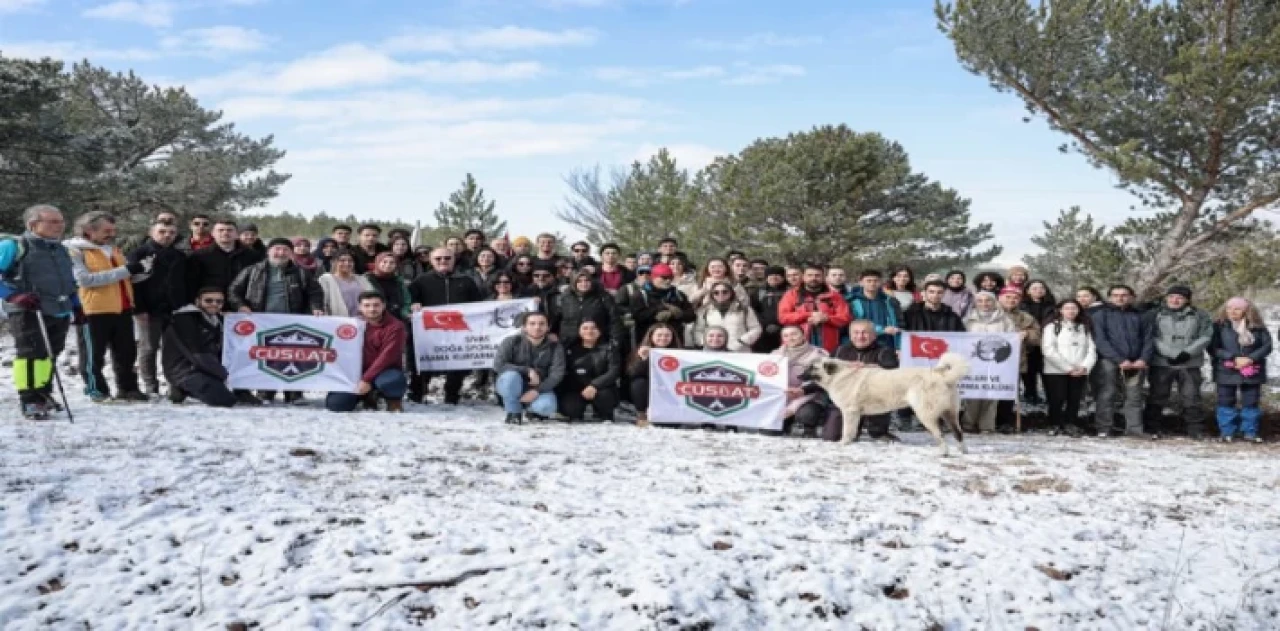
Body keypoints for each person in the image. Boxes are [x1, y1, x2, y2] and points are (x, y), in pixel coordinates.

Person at [1, 205, 80, 419]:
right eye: (52, 222)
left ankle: (43, 393)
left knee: (49, 354)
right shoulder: (14, 246)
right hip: (27, 310)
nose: (59, 226)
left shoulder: (61, 249)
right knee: (30, 355)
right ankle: (29, 399)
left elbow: (68, 281)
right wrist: (12, 295)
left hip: (59, 309)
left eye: (61, 221)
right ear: (32, 224)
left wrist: (77, 305)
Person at [66, 211, 155, 403]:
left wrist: (143, 271)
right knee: (93, 355)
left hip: (122, 307)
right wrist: (127, 270)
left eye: (113, 230)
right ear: (89, 230)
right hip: (92, 309)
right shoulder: (74, 250)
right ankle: (96, 390)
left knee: (126, 352)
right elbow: (84, 280)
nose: (112, 234)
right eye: (107, 230)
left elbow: (122, 277)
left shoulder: (112, 249)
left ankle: (128, 389)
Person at [228, 238, 326, 404]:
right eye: (277, 249)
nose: (280, 253)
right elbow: (233, 290)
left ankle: (294, 393)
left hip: (292, 322)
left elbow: (315, 292)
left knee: (292, 357)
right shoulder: (253, 271)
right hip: (261, 323)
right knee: (266, 357)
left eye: (285, 250)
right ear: (268, 251)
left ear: (290, 253)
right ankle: (265, 391)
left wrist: (316, 307)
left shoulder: (301, 273)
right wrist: (241, 306)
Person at [408, 247, 484, 404]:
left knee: (457, 362)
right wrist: (413, 305)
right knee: (423, 361)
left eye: (447, 258)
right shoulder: (421, 281)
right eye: (438, 258)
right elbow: (409, 301)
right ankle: (417, 394)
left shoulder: (466, 281)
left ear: (454, 260)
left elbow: (478, 305)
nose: (443, 261)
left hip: (459, 331)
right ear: (431, 260)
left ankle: (452, 394)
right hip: (430, 330)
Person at [1143, 285, 1213, 438]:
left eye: (1180, 297)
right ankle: (1151, 428)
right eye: (1171, 297)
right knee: (1157, 395)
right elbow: (1151, 336)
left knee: (1191, 396)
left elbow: (1206, 335)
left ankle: (1195, 430)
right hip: (1162, 362)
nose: (1175, 300)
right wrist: (1169, 353)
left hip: (1190, 362)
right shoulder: (1155, 314)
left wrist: (1187, 353)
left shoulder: (1200, 315)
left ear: (1187, 300)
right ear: (1166, 298)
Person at [128, 220, 188, 396]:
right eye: (162, 231)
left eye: (171, 232)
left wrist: (184, 305)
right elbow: (132, 284)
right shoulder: (138, 254)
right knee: (148, 349)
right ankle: (150, 386)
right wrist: (138, 310)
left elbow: (185, 283)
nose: (167, 235)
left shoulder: (180, 256)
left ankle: (174, 385)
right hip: (147, 310)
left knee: (173, 350)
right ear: (151, 232)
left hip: (174, 310)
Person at [325, 291, 408, 413]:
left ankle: (393, 399)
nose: (372, 309)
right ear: (360, 307)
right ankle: (366, 396)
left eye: (376, 305)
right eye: (367, 305)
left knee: (391, 382)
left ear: (383, 306)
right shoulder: (352, 325)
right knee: (336, 405)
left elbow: (387, 357)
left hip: (385, 371)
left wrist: (366, 379)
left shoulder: (395, 326)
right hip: (356, 373)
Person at [1092, 284, 1154, 438]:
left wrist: (1143, 358)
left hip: (1135, 362)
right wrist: (1119, 360)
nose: (1120, 298)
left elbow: (1149, 339)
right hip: (1109, 361)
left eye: (1124, 295)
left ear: (1131, 297)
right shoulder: (1100, 315)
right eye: (1115, 295)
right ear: (1109, 297)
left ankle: (1134, 429)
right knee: (1107, 394)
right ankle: (1103, 428)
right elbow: (1100, 340)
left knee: (1134, 395)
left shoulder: (1141, 315)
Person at [1209, 297, 1273, 443]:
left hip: (1252, 370)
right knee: (1225, 401)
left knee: (1251, 402)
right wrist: (1232, 357)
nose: (1232, 312)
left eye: (1237, 309)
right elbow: (1213, 348)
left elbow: (1267, 346)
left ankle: (1249, 432)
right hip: (1226, 370)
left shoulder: (1258, 327)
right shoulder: (1219, 326)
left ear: (1246, 311)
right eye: (1229, 308)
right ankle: (1227, 432)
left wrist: (1250, 359)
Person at [162, 287, 237, 407]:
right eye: (208, 301)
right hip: (185, 370)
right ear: (198, 301)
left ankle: (184, 390)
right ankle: (179, 387)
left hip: (205, 368)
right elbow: (198, 353)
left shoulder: (217, 320)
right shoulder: (184, 319)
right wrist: (225, 374)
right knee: (225, 400)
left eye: (219, 302)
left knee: (235, 397)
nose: (214, 304)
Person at [831, 320, 901, 441]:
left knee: (877, 430)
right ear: (850, 335)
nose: (860, 336)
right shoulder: (840, 351)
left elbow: (892, 372)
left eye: (865, 333)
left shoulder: (884, 350)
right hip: (847, 400)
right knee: (832, 436)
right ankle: (854, 430)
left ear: (874, 335)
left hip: (874, 397)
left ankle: (878, 430)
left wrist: (870, 368)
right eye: (856, 333)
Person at [494, 311, 565, 424]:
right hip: (511, 384)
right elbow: (499, 365)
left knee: (547, 407)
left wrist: (537, 391)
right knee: (510, 377)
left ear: (548, 327)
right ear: (524, 327)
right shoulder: (511, 341)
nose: (537, 327)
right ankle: (514, 412)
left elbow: (557, 374)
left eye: (542, 324)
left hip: (538, 386)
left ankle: (530, 409)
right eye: (532, 323)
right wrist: (528, 370)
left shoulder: (555, 347)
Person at [961, 292, 1016, 433]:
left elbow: (1010, 341)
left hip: (996, 362)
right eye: (980, 301)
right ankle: (968, 424)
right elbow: (960, 340)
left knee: (992, 394)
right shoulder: (968, 320)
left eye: (988, 301)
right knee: (972, 394)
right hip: (973, 362)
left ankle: (987, 425)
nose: (984, 304)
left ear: (994, 302)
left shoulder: (1004, 320)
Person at [1041, 300, 1096, 436]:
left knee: (1074, 399)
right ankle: (1054, 424)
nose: (1071, 311)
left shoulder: (1084, 327)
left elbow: (1091, 349)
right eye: (1067, 308)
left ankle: (1071, 423)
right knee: (1057, 398)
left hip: (1079, 370)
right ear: (1060, 310)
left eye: (1074, 308)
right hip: (1056, 370)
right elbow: (1048, 350)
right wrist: (1067, 368)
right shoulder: (1052, 327)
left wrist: (1085, 366)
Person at [777, 263, 852, 353]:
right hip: (797, 344)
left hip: (829, 345)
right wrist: (809, 314)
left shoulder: (835, 296)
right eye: (810, 275)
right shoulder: (792, 295)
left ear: (824, 277)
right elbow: (783, 317)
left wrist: (827, 318)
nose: (813, 278)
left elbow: (845, 317)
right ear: (803, 277)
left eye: (817, 275)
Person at [774, 325, 833, 438]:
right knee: (769, 433)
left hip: (809, 397)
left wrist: (793, 407)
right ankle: (786, 423)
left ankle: (809, 427)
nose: (790, 338)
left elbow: (818, 384)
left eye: (794, 334)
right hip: (782, 397)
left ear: (803, 335)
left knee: (807, 415)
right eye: (786, 336)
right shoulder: (775, 355)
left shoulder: (818, 354)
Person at [186, 219, 263, 304]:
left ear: (237, 234)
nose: (225, 233)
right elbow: (191, 283)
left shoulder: (253, 256)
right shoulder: (199, 256)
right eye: (221, 230)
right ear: (212, 234)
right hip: (210, 305)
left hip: (242, 306)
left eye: (229, 230)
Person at [558, 319, 621, 422]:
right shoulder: (570, 349)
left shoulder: (609, 349)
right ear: (579, 331)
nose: (589, 331)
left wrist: (594, 385)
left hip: (601, 388)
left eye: (593, 328)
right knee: (571, 409)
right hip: (576, 388)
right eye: (585, 328)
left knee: (605, 397)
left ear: (599, 331)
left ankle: (603, 414)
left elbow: (614, 371)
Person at [997, 286, 1042, 430]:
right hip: (988, 361)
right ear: (1000, 298)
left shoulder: (1025, 317)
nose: (1011, 300)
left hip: (1013, 360)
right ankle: (986, 420)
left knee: (1008, 392)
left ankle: (1004, 422)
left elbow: (1037, 337)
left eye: (1015, 298)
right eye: (1008, 297)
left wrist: (1027, 334)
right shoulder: (990, 313)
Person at [628, 263, 695, 346]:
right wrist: (659, 309)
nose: (668, 281)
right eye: (664, 277)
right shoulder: (641, 295)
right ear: (654, 278)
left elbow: (691, 316)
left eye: (671, 277)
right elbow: (637, 316)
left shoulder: (678, 295)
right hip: (647, 340)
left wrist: (677, 314)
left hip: (674, 340)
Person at [627, 322, 681, 426]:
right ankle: (642, 415)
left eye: (667, 335)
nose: (663, 338)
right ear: (651, 336)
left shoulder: (679, 353)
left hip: (671, 387)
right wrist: (643, 359)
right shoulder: (641, 350)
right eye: (659, 335)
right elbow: (632, 373)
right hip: (650, 386)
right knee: (638, 383)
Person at [558, 271, 623, 347]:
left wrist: (615, 341)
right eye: (579, 281)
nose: (584, 284)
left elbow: (614, 319)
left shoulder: (602, 296)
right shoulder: (565, 297)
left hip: (598, 342)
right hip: (570, 342)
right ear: (574, 283)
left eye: (587, 280)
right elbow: (558, 318)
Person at [692, 280, 762, 352]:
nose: (721, 294)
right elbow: (697, 330)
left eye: (725, 292)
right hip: (712, 352)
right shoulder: (705, 310)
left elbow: (756, 328)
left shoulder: (744, 309)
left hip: (739, 351)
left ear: (731, 293)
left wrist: (741, 341)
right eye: (716, 292)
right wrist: (707, 342)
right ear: (712, 294)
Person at [1020, 280, 1057, 405]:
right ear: (1028, 291)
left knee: (1046, 370)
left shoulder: (1052, 306)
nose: (1038, 290)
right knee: (1029, 371)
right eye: (1034, 288)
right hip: (1029, 343)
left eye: (1041, 288)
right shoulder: (1021, 306)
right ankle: (1031, 394)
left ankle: (1051, 396)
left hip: (1047, 342)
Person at [846, 269, 903, 350]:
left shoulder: (889, 301)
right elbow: (852, 324)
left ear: (880, 283)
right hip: (862, 344)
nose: (872, 284)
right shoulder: (852, 302)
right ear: (861, 283)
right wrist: (882, 330)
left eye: (876, 281)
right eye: (868, 281)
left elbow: (898, 322)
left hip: (887, 344)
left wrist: (898, 346)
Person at [318, 251, 374, 317]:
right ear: (334, 262)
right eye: (342, 260)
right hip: (338, 321)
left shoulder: (362, 279)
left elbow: (372, 297)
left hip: (363, 320)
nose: (347, 263)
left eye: (350, 261)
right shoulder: (326, 279)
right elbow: (323, 303)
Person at [751, 266, 790, 353]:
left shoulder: (790, 291)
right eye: (771, 275)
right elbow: (753, 311)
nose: (774, 277)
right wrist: (765, 324)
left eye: (777, 275)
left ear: (783, 277)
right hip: (763, 332)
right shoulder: (759, 292)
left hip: (785, 330)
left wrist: (779, 326)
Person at [364, 252, 412, 321]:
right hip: (374, 319)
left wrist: (405, 313)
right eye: (384, 262)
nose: (388, 265)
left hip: (398, 319)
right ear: (377, 263)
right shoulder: (366, 279)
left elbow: (407, 301)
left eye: (392, 263)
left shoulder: (399, 281)